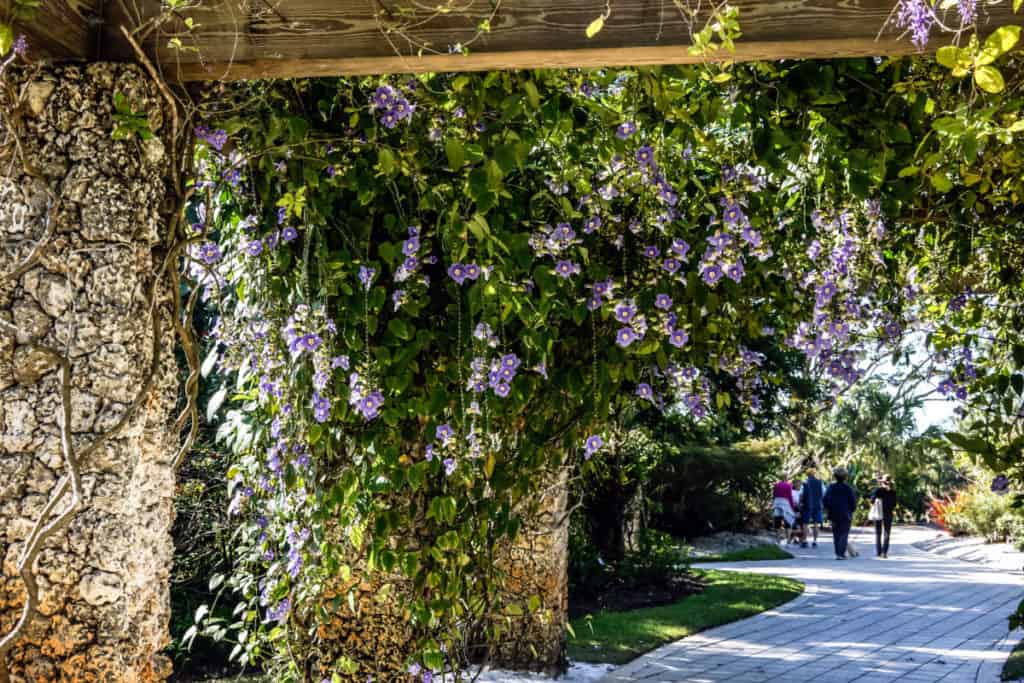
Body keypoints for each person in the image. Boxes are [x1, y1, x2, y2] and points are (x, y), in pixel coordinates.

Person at [823, 467, 857, 560]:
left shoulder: (831, 487)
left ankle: (838, 553)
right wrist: (852, 510)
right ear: (845, 477)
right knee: (844, 533)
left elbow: (825, 500)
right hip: (845, 514)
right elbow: (853, 502)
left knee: (836, 534)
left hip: (833, 513)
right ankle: (841, 553)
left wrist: (828, 509)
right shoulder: (848, 488)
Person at [871, 474, 898, 558]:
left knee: (878, 533)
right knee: (887, 533)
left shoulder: (878, 490)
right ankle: (884, 553)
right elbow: (894, 504)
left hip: (878, 513)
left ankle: (879, 552)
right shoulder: (893, 492)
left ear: (882, 482)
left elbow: (872, 500)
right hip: (888, 513)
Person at [802, 467, 825, 548]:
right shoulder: (820, 482)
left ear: (807, 475)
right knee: (816, 523)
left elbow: (801, 494)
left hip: (807, 504)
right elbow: (823, 493)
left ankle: (804, 541)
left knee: (805, 523)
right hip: (817, 504)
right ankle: (815, 541)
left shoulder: (805, 483)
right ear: (814, 474)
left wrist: (801, 502)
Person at [771, 476, 798, 543]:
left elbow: (774, 495)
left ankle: (778, 540)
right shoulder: (788, 485)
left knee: (778, 522)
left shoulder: (776, 485)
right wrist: (791, 507)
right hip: (785, 503)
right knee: (788, 521)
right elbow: (790, 496)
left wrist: (773, 504)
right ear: (786, 479)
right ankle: (788, 540)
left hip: (777, 503)